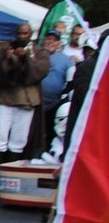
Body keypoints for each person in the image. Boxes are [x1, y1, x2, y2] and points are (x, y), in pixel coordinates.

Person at [0, 21, 50, 171]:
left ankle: (11, 171)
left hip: (27, 99)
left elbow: (41, 71)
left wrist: (26, 58)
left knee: (19, 139)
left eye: (25, 33)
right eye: (19, 33)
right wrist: (7, 59)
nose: (21, 36)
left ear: (31, 34)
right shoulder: (5, 51)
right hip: (5, 98)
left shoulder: (39, 52)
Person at [38, 30, 73, 158]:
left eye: (53, 40)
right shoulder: (35, 56)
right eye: (48, 39)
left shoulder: (66, 60)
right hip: (35, 102)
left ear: (59, 43)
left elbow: (70, 81)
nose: (50, 42)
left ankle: (49, 154)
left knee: (51, 131)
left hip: (54, 104)